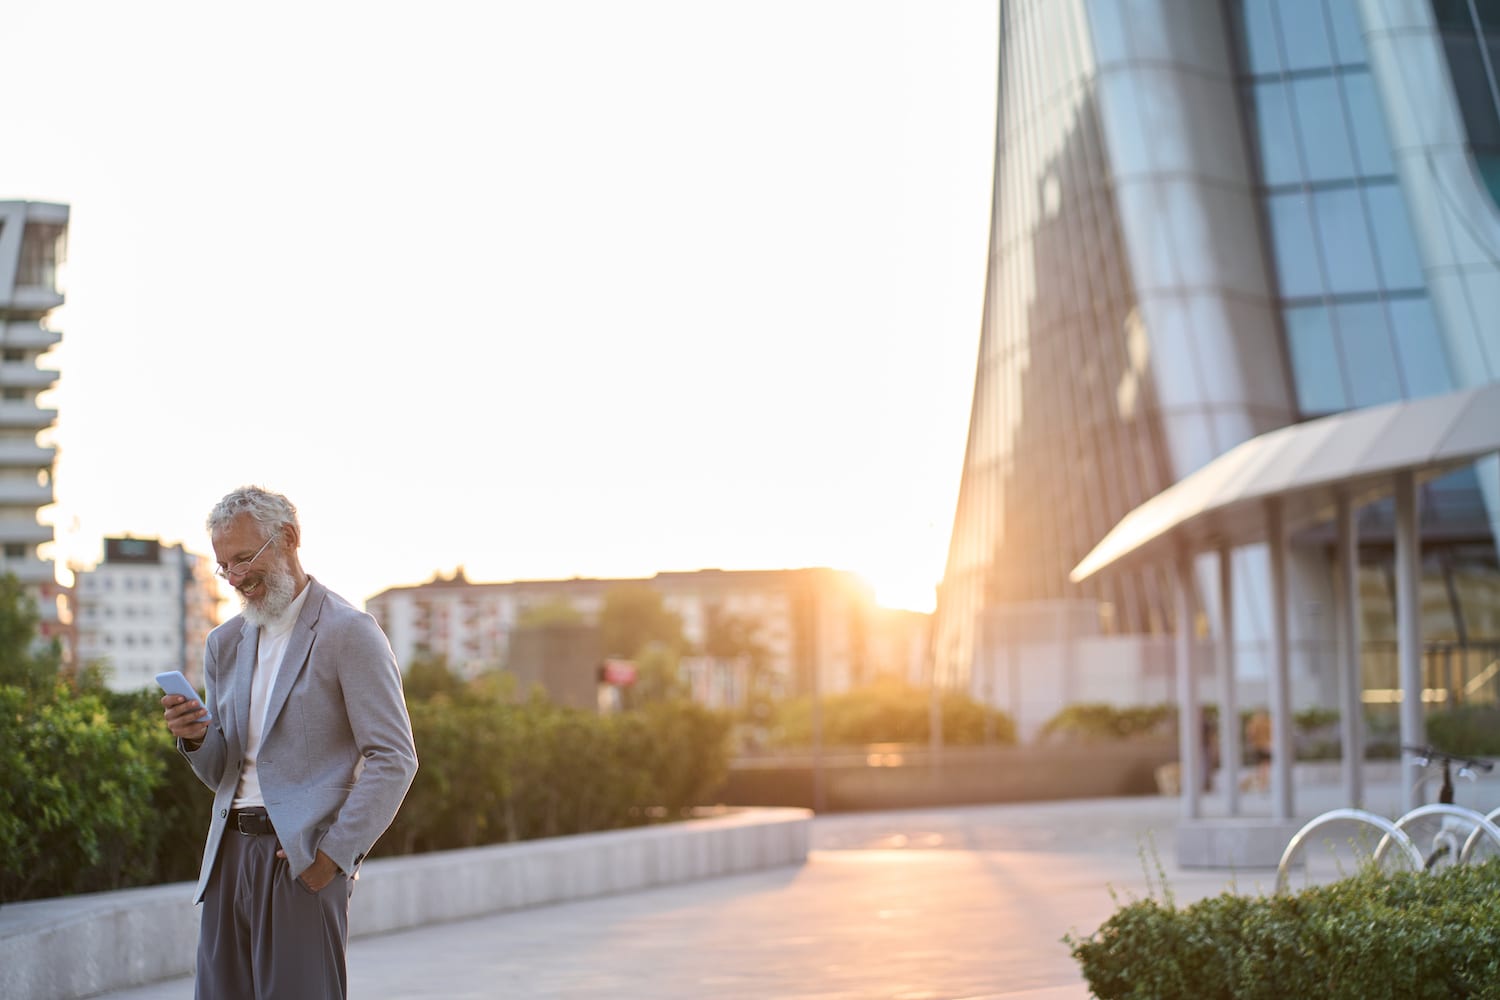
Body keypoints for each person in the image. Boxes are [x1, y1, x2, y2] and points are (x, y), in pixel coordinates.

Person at [161, 486, 418, 1000]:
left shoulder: (350, 633)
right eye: (224, 565)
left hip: (298, 860)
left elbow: (395, 758)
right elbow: (223, 770)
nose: (235, 578)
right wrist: (195, 738)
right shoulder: (224, 643)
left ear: (290, 539)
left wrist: (333, 857)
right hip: (227, 857)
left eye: (244, 559)